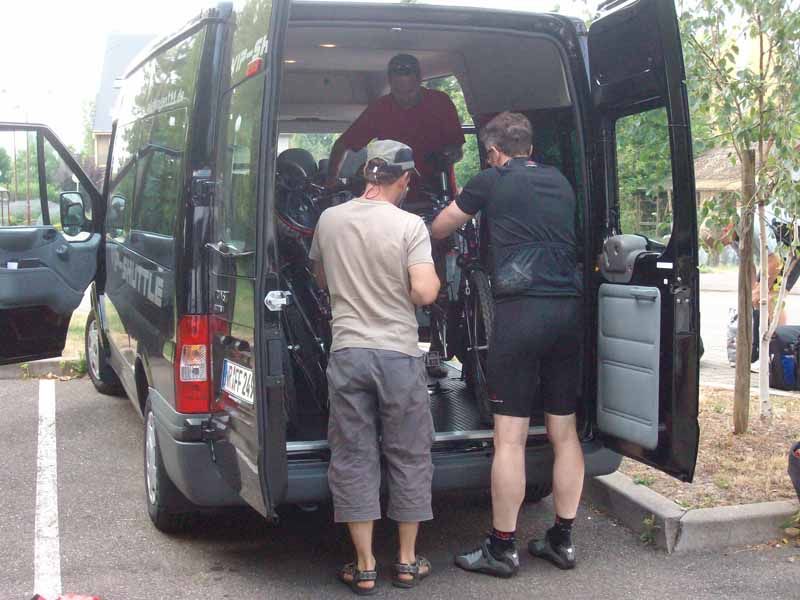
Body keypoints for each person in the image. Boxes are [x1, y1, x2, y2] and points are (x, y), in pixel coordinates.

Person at [431, 112, 584, 578]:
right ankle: (562, 540)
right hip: (568, 311)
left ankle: (501, 548)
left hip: (520, 313)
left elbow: (440, 227)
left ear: (494, 152)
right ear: (530, 148)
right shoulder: (561, 182)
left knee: (510, 438)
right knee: (564, 432)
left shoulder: (491, 180)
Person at [310, 139, 440, 594]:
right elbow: (424, 292)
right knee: (409, 453)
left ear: (367, 173)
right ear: (403, 179)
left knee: (352, 455)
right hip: (398, 355)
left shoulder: (329, 219)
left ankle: (364, 565)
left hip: (348, 352)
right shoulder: (410, 225)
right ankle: (406, 560)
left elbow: (321, 278)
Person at [325, 54, 466, 377]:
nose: (404, 94)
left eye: (410, 87)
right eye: (398, 88)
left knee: (436, 263)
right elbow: (344, 144)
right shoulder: (380, 108)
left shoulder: (440, 103)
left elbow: (458, 147)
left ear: (419, 80)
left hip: (432, 191)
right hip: (390, 196)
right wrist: (331, 179)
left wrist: (446, 155)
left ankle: (437, 343)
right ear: (390, 82)